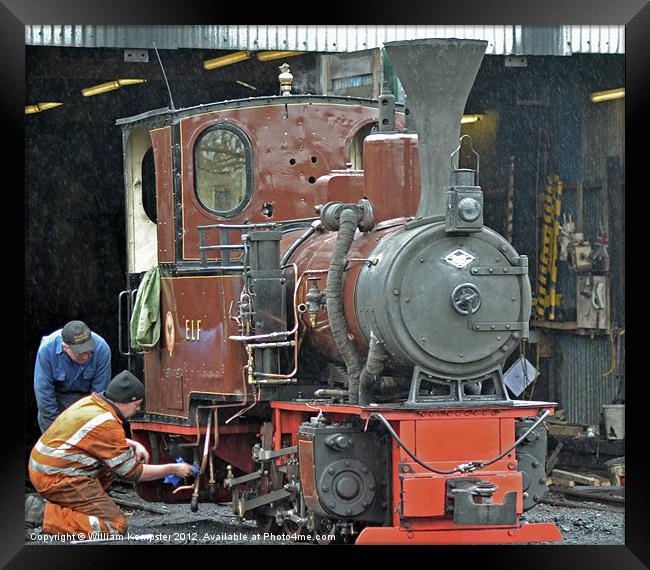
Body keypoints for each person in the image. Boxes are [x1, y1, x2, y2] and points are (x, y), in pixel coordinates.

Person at [26, 370, 195, 538]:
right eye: (137, 405)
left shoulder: (93, 403)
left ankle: (68, 504)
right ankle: (41, 514)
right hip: (55, 478)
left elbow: (92, 438)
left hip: (45, 469)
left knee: (109, 465)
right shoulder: (108, 424)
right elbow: (133, 473)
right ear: (126, 402)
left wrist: (134, 444)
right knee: (114, 526)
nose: (137, 410)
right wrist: (173, 468)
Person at [34, 320, 112, 432]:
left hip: (87, 402)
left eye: (89, 351)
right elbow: (44, 392)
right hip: (57, 401)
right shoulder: (46, 350)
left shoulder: (102, 349)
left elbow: (99, 395)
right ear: (65, 347)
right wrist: (55, 430)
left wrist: (89, 428)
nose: (85, 357)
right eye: (79, 353)